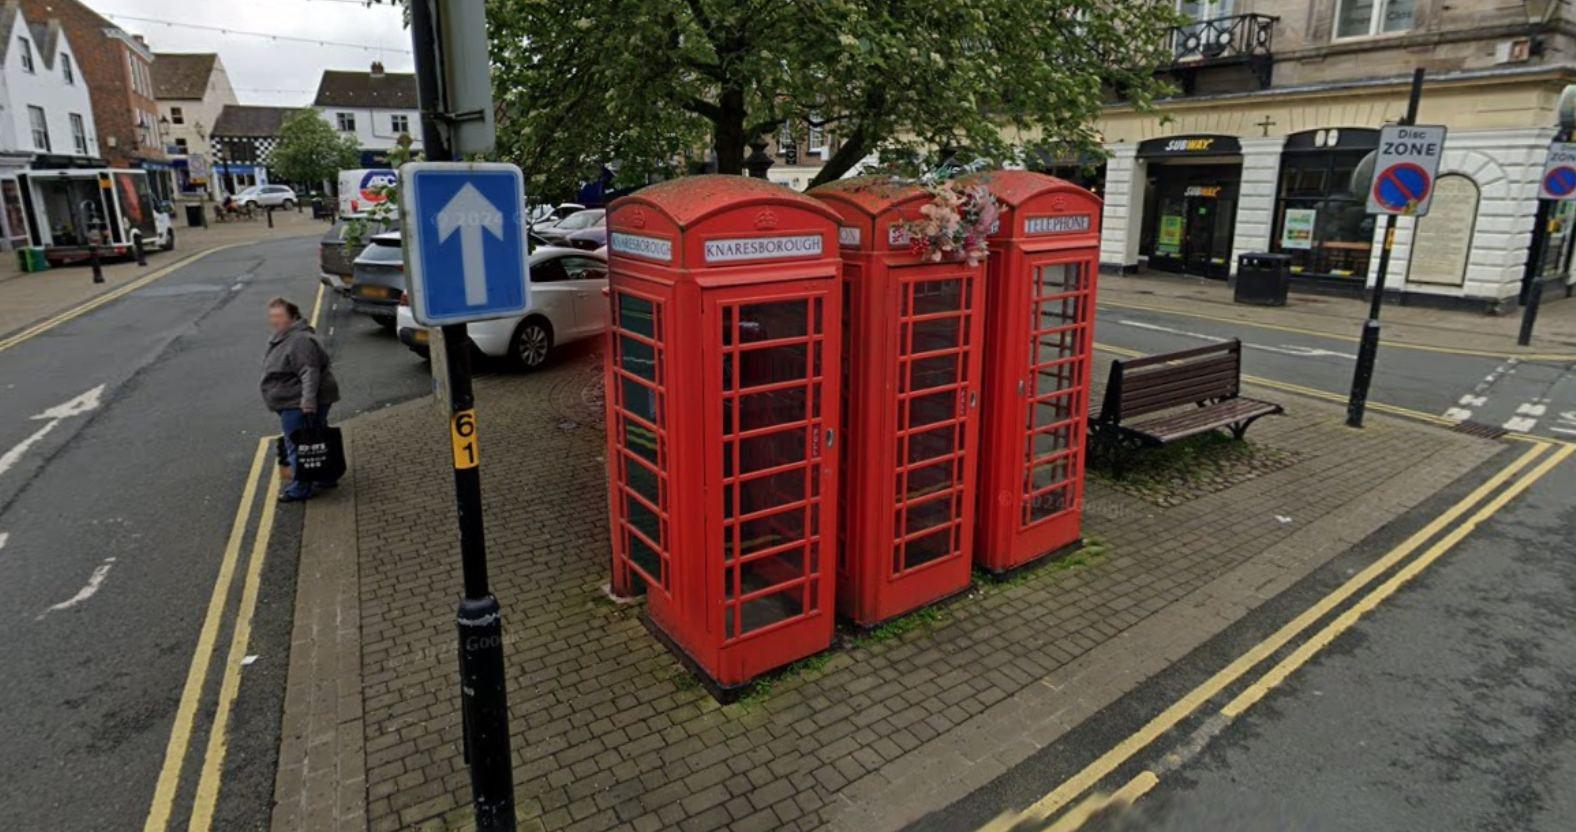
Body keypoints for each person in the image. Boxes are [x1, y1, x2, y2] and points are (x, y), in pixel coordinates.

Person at [260, 297, 341, 502]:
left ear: (293, 316)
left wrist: (307, 403)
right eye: (272, 316)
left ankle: (301, 488)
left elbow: (309, 372)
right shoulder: (287, 336)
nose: (274, 320)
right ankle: (326, 476)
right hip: (295, 400)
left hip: (298, 402)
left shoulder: (300, 340)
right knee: (316, 438)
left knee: (298, 444)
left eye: (279, 316)